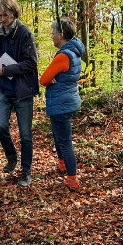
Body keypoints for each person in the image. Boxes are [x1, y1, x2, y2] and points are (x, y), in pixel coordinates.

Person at [0, 0, 38, 187]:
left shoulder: (25, 33)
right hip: (3, 88)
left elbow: (31, 63)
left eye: (5, 15)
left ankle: (26, 172)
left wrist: (7, 70)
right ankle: (11, 157)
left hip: (22, 91)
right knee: (1, 126)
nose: (2, 19)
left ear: (14, 13)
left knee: (25, 134)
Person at [40, 18, 85, 189]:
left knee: (65, 141)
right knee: (59, 136)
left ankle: (72, 178)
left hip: (61, 103)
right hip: (68, 99)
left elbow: (43, 79)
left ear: (60, 35)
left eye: (52, 33)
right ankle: (62, 165)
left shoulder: (63, 56)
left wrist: (49, 79)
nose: (51, 36)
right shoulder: (74, 52)